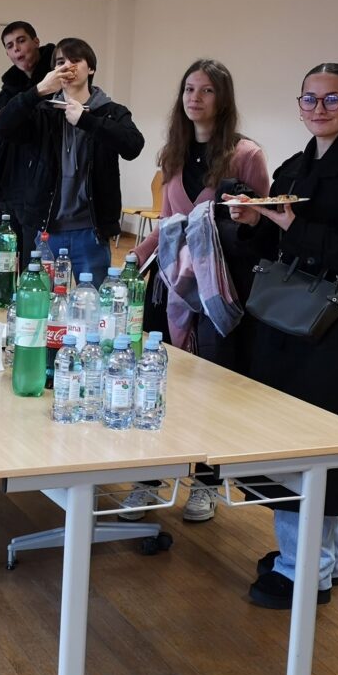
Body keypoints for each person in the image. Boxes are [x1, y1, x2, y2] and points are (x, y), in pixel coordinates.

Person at [227, 63, 338, 609]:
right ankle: (321, 560)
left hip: (334, 324)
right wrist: (254, 223)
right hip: (286, 316)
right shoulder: (294, 168)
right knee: (287, 436)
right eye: (310, 99)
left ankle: (304, 571)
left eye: (332, 99)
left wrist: (296, 228)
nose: (319, 109)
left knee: (317, 441)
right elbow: (276, 245)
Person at [129, 58, 269, 523]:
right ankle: (149, 479)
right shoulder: (173, 152)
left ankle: (207, 482)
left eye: (206, 90)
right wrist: (132, 259)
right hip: (170, 283)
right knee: (158, 380)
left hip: (217, 289)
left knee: (212, 386)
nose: (195, 98)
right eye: (189, 89)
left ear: (222, 99)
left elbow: (262, 225)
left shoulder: (245, 155)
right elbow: (167, 223)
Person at [0, 36, 145, 285]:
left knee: (93, 299)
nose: (68, 67)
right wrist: (38, 90)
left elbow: (133, 146)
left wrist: (87, 121)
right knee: (42, 299)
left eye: (76, 60)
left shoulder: (110, 111)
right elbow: (3, 127)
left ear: (91, 68)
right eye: (61, 62)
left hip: (92, 229)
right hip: (48, 228)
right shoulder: (44, 111)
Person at [0, 22, 56, 242]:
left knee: (31, 257)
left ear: (36, 42)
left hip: (39, 187)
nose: (16, 49)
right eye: (10, 46)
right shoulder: (10, 86)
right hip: (6, 189)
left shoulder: (54, 81)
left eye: (21, 41)